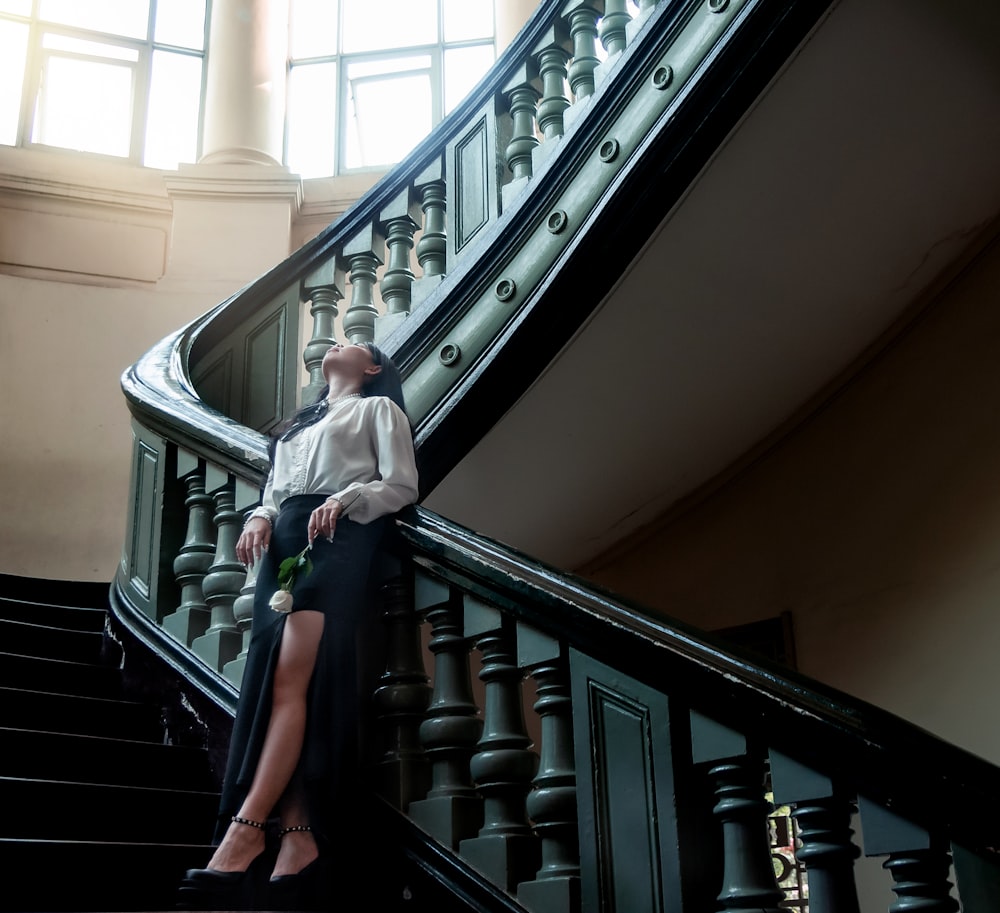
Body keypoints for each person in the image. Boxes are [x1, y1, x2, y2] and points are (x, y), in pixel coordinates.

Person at [178, 342, 419, 911]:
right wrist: (261, 515)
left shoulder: (378, 410)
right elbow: (277, 489)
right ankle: (297, 834)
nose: (338, 342)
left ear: (373, 368)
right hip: (286, 535)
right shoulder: (297, 426)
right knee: (282, 681)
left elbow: (401, 484)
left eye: (354, 343)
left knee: (291, 680)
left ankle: (246, 827)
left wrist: (350, 495)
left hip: (337, 536)